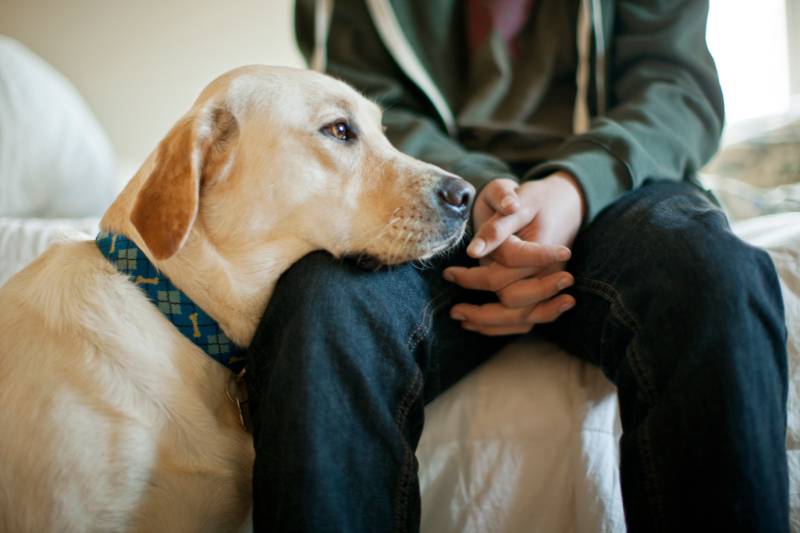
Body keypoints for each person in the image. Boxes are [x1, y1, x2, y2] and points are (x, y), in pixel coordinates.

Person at [244, 0, 790, 531]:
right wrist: (477, 191)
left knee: (716, 279)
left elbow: (677, 90)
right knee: (322, 306)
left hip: (615, 187)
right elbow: (367, 103)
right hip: (434, 188)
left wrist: (575, 186)